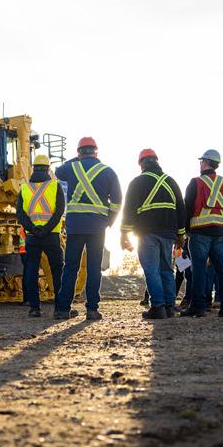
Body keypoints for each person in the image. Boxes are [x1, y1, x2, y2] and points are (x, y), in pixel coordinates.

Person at [55, 137, 122, 320]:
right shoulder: (108, 172)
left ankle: (62, 309)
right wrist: (109, 221)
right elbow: (117, 202)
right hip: (97, 228)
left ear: (79, 152)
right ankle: (92, 309)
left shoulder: (71, 167)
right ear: (96, 151)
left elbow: (57, 171)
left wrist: (75, 160)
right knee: (94, 268)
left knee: (70, 267)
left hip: (75, 227)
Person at [121, 148, 186, 319]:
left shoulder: (137, 182)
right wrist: (180, 234)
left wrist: (124, 234)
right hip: (168, 234)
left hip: (147, 232)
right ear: (156, 161)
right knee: (166, 269)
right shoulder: (171, 182)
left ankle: (158, 306)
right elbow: (181, 208)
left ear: (141, 163)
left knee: (152, 269)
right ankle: (170, 307)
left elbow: (128, 210)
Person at [183, 149, 223, 317]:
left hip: (199, 232)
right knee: (222, 268)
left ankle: (198, 307)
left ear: (204, 162)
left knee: (198, 270)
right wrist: (222, 223)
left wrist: (185, 230)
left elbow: (187, 208)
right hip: (219, 233)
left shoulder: (196, 182)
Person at [16, 155, 66, 317]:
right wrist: (46, 229)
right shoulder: (55, 186)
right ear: (48, 169)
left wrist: (32, 228)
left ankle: (34, 308)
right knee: (57, 270)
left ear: (33, 168)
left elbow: (20, 213)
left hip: (32, 237)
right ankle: (60, 308)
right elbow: (59, 212)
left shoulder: (24, 188)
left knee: (31, 271)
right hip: (51, 236)